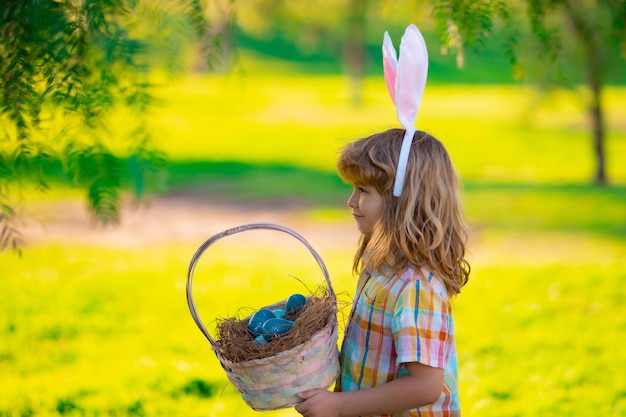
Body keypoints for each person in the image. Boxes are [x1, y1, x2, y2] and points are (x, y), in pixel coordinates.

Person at [294, 127, 471, 417]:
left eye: (363, 191)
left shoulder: (415, 286)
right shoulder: (383, 267)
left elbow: (425, 386)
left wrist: (339, 406)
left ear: (401, 202)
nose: (351, 201)